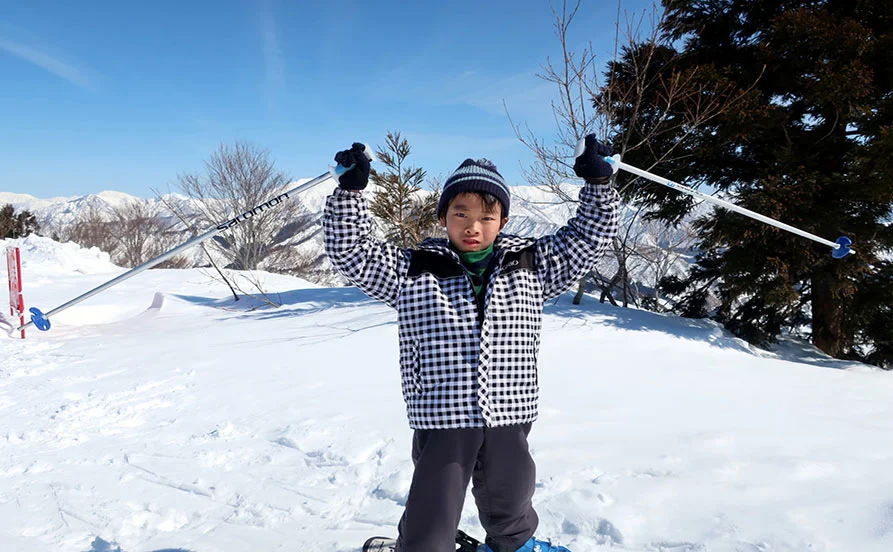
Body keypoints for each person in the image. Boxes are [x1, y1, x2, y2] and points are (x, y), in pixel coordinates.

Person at [322, 136, 620, 552]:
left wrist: (598, 185)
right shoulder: (414, 271)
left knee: (511, 500)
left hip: (511, 411)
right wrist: (350, 193)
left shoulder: (532, 266)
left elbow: (587, 240)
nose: (472, 226)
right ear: (444, 217)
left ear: (502, 221)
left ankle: (515, 547)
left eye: (486, 216)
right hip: (443, 416)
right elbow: (351, 251)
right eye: (460, 213)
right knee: (433, 509)